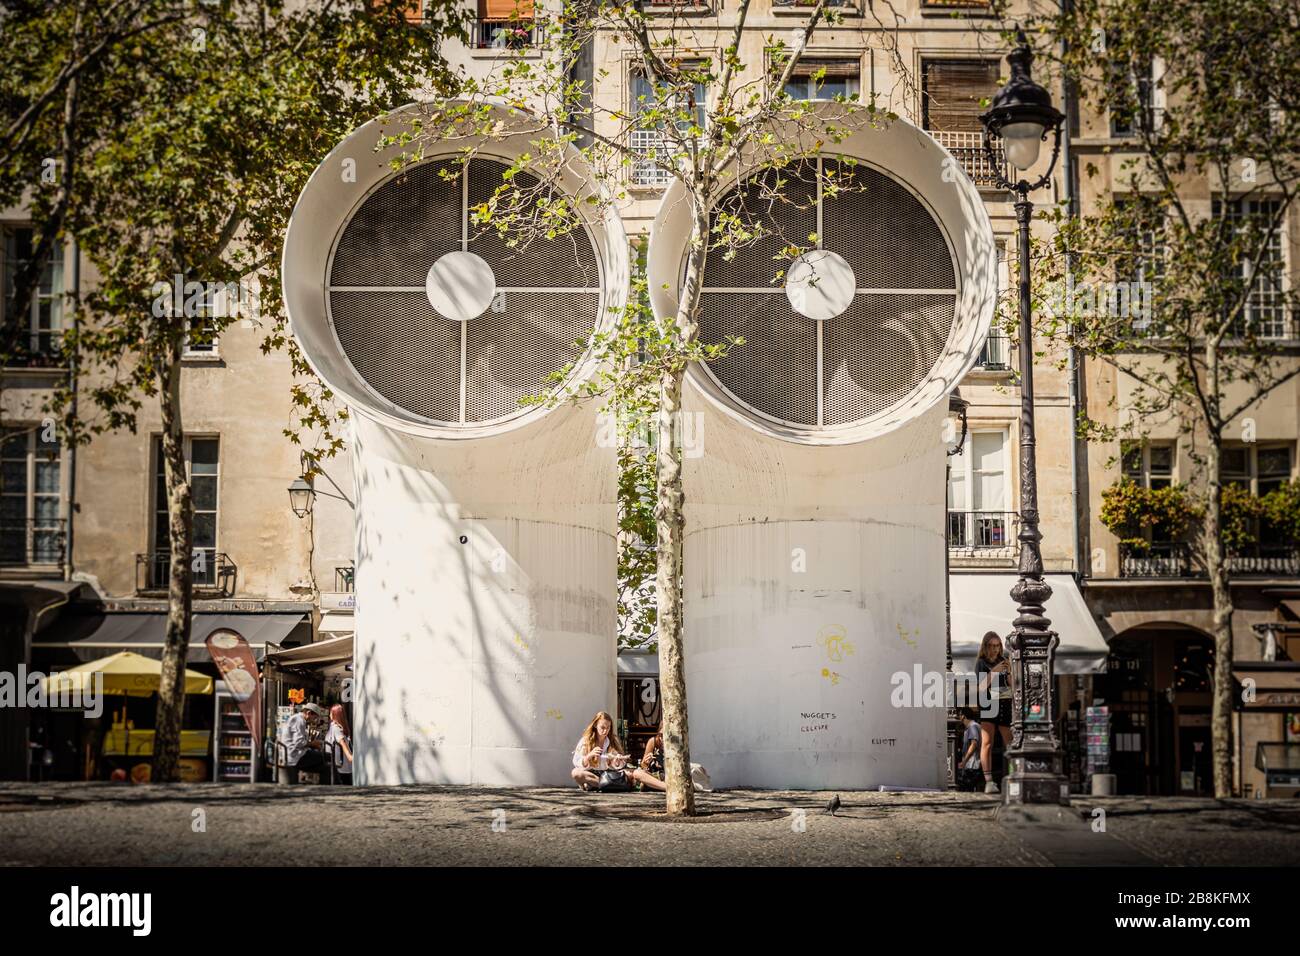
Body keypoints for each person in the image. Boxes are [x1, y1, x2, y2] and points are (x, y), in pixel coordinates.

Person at [976, 631, 1013, 794]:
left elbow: (1011, 685)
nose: (995, 649)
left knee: (1011, 743)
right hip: (989, 705)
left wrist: (1011, 671)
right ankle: (989, 781)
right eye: (991, 645)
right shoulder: (981, 663)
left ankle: (1014, 776)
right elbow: (982, 687)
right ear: (986, 646)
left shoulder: (1003, 661)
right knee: (987, 743)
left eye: (997, 645)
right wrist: (996, 671)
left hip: (1004, 703)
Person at [570, 711, 629, 790]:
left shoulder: (613, 740)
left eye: (608, 728)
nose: (605, 731)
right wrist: (589, 756)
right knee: (575, 773)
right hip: (591, 773)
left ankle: (600, 785)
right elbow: (576, 762)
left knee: (629, 772)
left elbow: (617, 766)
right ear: (595, 725)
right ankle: (608, 785)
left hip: (608, 773)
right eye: (602, 727)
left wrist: (617, 761)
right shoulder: (586, 740)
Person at [282, 701, 327, 783]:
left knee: (324, 766)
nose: (314, 720)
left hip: (294, 753)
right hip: (295, 755)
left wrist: (311, 744)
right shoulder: (300, 721)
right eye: (314, 717)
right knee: (325, 757)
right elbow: (299, 742)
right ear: (309, 713)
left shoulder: (297, 719)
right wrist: (313, 744)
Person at [631, 721, 668, 792]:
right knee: (637, 773)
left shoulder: (675, 745)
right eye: (661, 735)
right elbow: (643, 765)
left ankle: (664, 787)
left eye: (665, 735)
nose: (662, 738)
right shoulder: (654, 742)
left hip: (669, 777)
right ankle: (667, 788)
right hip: (655, 778)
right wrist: (646, 762)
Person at [324, 704, 353, 785]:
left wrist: (349, 756)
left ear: (335, 715)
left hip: (340, 763)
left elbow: (342, 743)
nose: (329, 714)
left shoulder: (336, 728)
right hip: (341, 763)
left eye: (331, 712)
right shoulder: (337, 727)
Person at [956, 708, 982, 792]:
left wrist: (964, 761)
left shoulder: (973, 726)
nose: (958, 717)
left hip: (972, 765)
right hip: (971, 764)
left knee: (966, 788)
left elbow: (974, 744)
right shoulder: (970, 728)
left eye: (959, 715)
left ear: (963, 716)